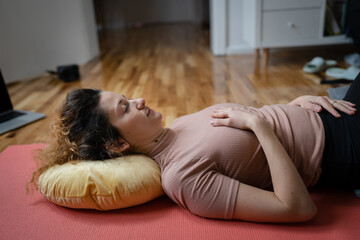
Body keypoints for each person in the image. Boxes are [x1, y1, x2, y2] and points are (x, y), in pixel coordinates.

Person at [28, 74, 360, 223]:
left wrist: (295, 104)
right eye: (126, 108)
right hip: (342, 150)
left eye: (126, 97)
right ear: (118, 143)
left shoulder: (180, 124)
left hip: (328, 110)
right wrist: (263, 127)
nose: (139, 100)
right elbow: (296, 209)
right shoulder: (183, 178)